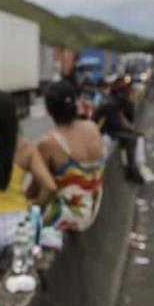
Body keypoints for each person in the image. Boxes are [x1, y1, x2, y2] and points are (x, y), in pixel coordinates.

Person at [0, 91, 50, 268]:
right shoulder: (25, 148)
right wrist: (36, 207)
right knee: (6, 279)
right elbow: (49, 186)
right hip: (18, 226)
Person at [30, 81, 106, 232]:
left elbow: (37, 188)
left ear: (49, 111)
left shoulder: (49, 143)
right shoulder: (92, 128)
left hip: (70, 216)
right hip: (94, 208)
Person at [94, 78, 145, 184]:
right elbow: (115, 124)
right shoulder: (110, 104)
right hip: (103, 133)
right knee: (130, 139)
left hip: (108, 130)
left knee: (132, 137)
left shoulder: (115, 102)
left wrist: (133, 130)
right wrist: (131, 131)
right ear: (119, 93)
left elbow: (122, 118)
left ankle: (132, 166)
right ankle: (131, 169)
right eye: (124, 93)